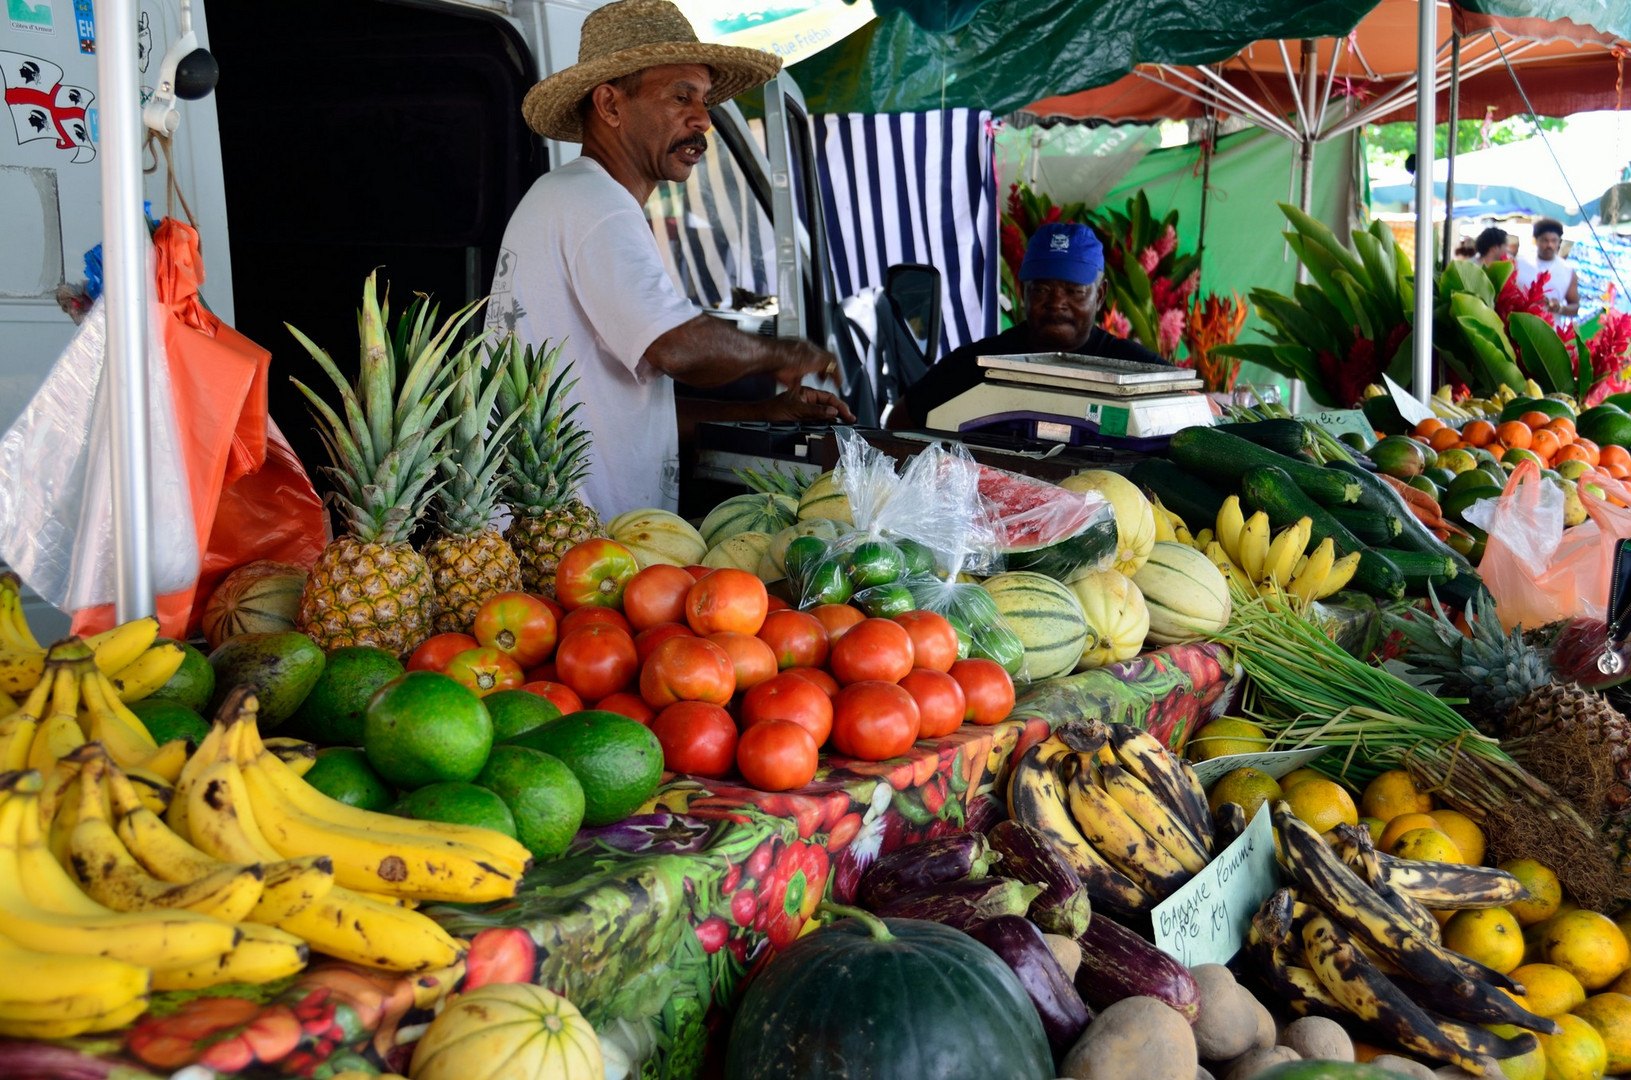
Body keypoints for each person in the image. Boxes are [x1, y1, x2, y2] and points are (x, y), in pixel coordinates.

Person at [486, 0, 852, 516]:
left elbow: (628, 406)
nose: (702, 119)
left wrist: (764, 410)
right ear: (610, 106)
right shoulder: (598, 206)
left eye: (703, 99)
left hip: (566, 543)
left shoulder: (568, 195)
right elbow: (678, 350)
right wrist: (783, 354)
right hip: (572, 550)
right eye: (681, 96)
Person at [890, 221, 1167, 429]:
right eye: (1042, 289)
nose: (1057, 303)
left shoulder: (1140, 373)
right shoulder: (975, 365)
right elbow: (900, 421)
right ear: (1023, 292)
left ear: (1100, 295)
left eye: (1074, 291)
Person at [1515, 218, 1580, 318]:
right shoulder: (1519, 264)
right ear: (1536, 241)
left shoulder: (1568, 270)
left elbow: (1575, 307)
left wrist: (1560, 308)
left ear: (1559, 242)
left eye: (1554, 241)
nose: (1549, 245)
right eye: (1545, 240)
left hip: (1551, 329)